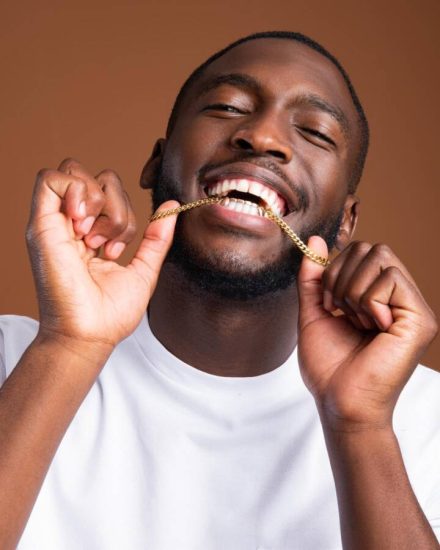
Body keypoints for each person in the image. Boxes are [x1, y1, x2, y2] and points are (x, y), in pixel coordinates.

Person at [0, 30, 439, 550]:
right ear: (157, 163)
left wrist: (360, 426)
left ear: (346, 221)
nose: (263, 137)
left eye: (315, 132)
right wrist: (70, 344)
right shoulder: (15, 359)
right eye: (228, 107)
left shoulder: (422, 419)